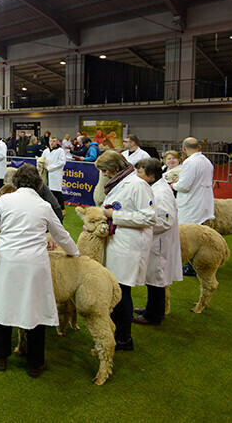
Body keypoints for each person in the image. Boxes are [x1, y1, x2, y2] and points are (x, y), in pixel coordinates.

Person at [0, 164, 79, 375]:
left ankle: (1, 355)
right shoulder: (44, 206)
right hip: (35, 265)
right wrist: (75, 252)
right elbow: (61, 235)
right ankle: (35, 362)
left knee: (4, 306)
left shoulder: (4, 201)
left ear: (15, 181)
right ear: (39, 183)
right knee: (35, 309)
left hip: (8, 262)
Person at [96, 150, 156, 351]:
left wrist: (115, 215)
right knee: (116, 289)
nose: (103, 174)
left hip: (129, 246)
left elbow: (149, 217)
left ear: (116, 167)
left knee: (122, 292)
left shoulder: (138, 185)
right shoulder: (120, 182)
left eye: (105, 170)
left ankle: (124, 338)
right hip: (118, 243)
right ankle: (117, 332)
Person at [132, 158, 182, 326]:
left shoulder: (161, 193)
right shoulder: (154, 187)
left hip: (158, 241)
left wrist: (141, 224)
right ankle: (150, 309)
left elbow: (165, 221)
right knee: (152, 277)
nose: (137, 175)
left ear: (151, 175)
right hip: (154, 240)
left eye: (140, 172)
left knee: (156, 277)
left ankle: (153, 315)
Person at [171, 137, 215, 276]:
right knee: (198, 234)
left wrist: (173, 185)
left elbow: (184, 186)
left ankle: (190, 265)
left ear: (183, 149)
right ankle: (196, 263)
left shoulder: (190, 162)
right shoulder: (206, 161)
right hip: (203, 201)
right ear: (199, 147)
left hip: (192, 203)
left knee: (188, 234)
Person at [42, 136, 67, 211]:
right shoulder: (46, 151)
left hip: (55, 173)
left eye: (53, 141)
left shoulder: (60, 151)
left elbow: (62, 162)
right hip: (46, 174)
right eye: (50, 141)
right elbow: (42, 159)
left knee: (56, 191)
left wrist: (50, 168)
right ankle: (47, 207)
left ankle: (62, 209)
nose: (51, 143)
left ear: (57, 142)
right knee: (47, 190)